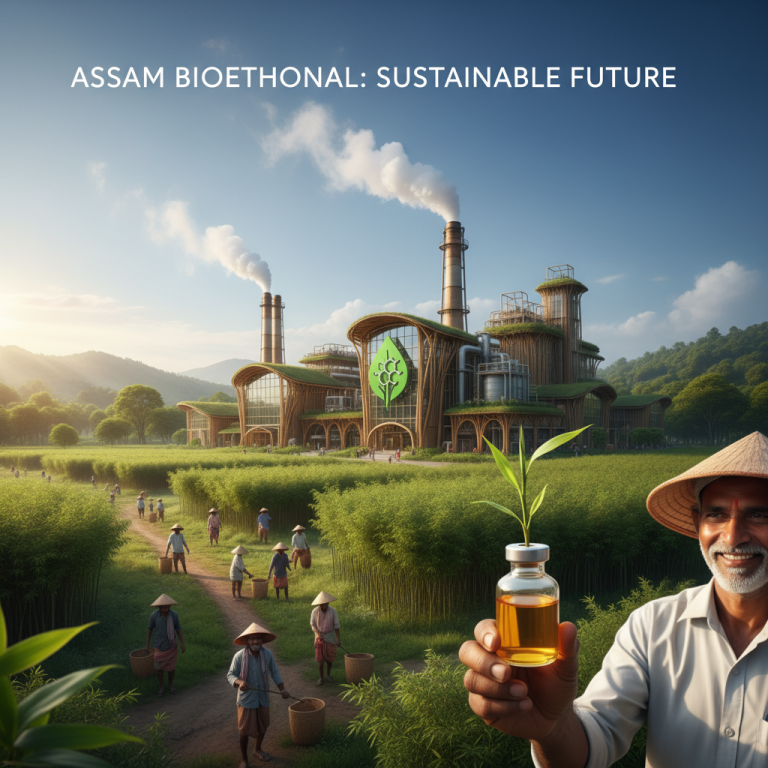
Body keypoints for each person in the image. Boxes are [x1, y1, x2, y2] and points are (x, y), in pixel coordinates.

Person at [460, 431, 768, 768]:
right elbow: (597, 737)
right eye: (716, 515)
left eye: (758, 515)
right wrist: (551, 727)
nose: (733, 536)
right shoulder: (653, 628)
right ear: (697, 523)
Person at [227, 622, 289, 766]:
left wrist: (283, 689)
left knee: (262, 726)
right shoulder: (239, 656)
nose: (255, 642)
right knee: (243, 732)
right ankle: (244, 759)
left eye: (258, 638)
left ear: (262, 640)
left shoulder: (267, 654)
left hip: (262, 698)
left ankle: (257, 749)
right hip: (246, 700)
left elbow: (274, 671)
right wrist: (239, 682)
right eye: (252, 639)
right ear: (247, 641)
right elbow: (231, 675)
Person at [146, 593, 185, 697]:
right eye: (162, 608)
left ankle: (170, 685)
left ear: (169, 607)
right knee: (158, 669)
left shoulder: (174, 615)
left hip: (171, 646)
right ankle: (162, 686)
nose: (164, 609)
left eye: (166, 607)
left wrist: (182, 643)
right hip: (158, 646)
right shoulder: (154, 616)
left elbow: (178, 629)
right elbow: (149, 629)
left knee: (171, 668)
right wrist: (147, 645)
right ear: (159, 607)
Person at [310, 591, 340, 686]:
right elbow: (312, 625)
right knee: (320, 660)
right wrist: (318, 633)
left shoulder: (333, 611)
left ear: (328, 603)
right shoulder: (315, 611)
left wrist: (338, 640)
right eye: (322, 605)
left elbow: (336, 626)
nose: (323, 606)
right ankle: (321, 678)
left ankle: (328, 675)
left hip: (330, 636)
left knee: (330, 658)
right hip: (319, 638)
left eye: (325, 604)